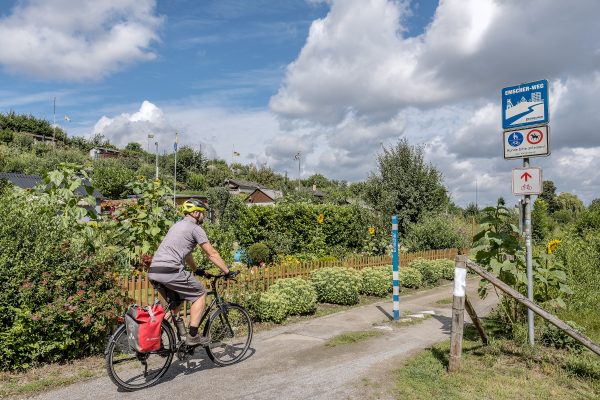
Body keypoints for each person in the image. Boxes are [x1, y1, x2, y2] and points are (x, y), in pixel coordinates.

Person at [148, 199, 230, 346]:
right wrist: (226, 271)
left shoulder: (177, 226)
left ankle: (155, 339)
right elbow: (211, 254)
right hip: (170, 271)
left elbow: (187, 254)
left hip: (155, 271)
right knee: (200, 294)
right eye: (203, 213)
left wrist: (196, 270)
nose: (203, 216)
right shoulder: (195, 228)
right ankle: (193, 336)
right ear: (196, 213)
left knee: (175, 305)